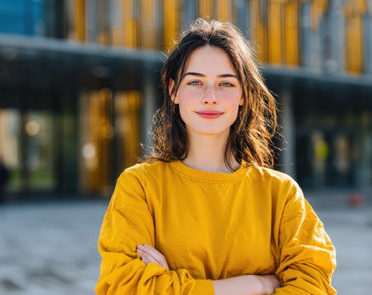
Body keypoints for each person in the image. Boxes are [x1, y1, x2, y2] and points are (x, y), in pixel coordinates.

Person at [96, 19, 336, 295]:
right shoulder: (139, 186)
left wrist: (170, 284)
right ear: (174, 91)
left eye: (226, 84)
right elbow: (124, 286)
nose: (210, 97)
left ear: (244, 94)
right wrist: (255, 284)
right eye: (196, 82)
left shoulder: (280, 195)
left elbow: (312, 287)